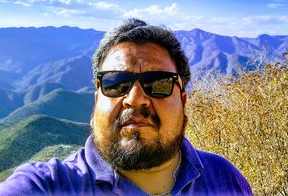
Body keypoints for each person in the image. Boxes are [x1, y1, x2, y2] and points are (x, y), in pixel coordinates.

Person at [0, 19, 253, 195]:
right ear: (97, 99)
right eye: (116, 83)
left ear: (183, 102)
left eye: (158, 83)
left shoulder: (225, 178)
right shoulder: (49, 185)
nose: (135, 98)